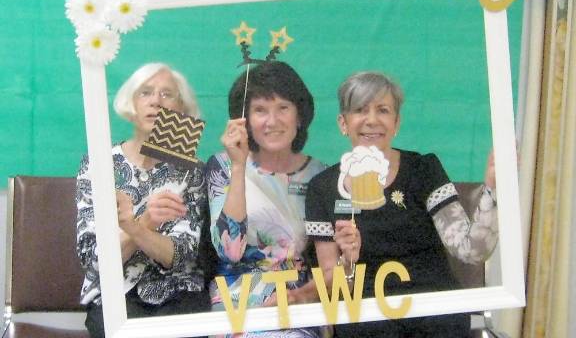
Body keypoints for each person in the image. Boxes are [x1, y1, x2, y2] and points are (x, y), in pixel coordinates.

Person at [305, 71, 498, 338]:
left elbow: (471, 251)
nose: (372, 120)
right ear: (343, 123)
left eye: (383, 110)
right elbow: (331, 287)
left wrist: (493, 189)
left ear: (396, 123)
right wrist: (347, 262)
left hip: (434, 315)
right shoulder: (322, 188)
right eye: (360, 110)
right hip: (366, 321)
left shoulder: (424, 169)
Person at [76, 63, 213, 338]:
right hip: (117, 296)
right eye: (146, 93)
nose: (155, 101)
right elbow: (94, 260)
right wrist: (146, 223)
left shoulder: (191, 169)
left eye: (167, 94)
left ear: (181, 108)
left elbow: (180, 255)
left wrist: (135, 227)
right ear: (131, 104)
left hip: (179, 294)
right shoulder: (99, 165)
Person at [206, 61, 326, 337]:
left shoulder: (321, 175)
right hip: (236, 296)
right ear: (244, 120)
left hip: (298, 299)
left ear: (299, 116)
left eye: (283, 108)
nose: (272, 121)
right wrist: (239, 167)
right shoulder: (223, 166)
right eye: (260, 110)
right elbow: (230, 251)